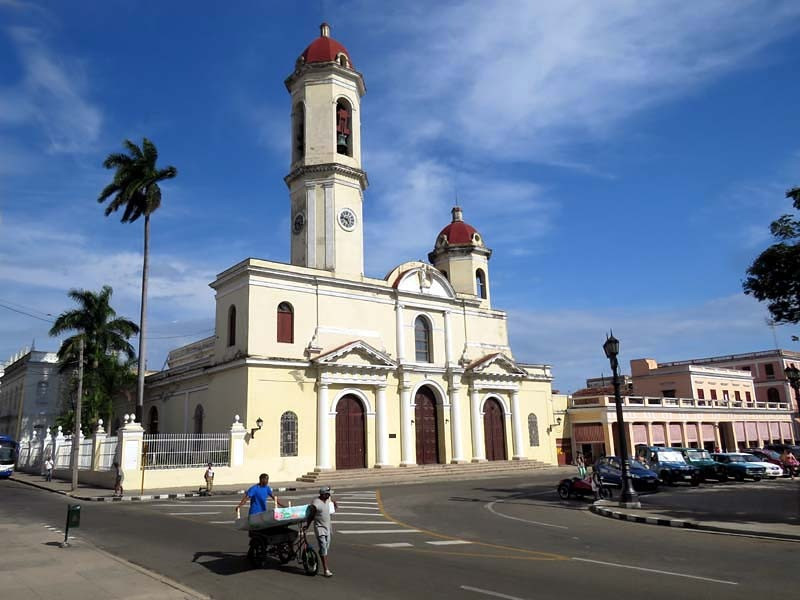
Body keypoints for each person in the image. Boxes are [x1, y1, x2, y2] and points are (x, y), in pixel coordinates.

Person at [307, 485, 338, 578]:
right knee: (324, 548)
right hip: (319, 528)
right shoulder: (316, 503)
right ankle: (326, 569)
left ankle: (321, 553)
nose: (329, 496)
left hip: (328, 528)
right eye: (328, 494)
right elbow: (311, 516)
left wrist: (335, 505)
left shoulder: (328, 500)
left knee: (326, 547)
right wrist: (307, 526)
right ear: (323, 494)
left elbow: (330, 508)